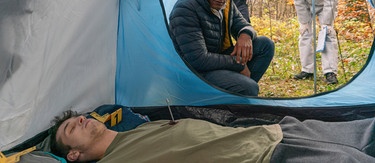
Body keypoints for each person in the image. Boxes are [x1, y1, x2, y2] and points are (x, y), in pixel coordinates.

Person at [49, 110, 375, 162]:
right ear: (73, 155)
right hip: (267, 158)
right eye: (71, 128)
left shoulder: (137, 128)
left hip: (275, 132)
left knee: (369, 130)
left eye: (79, 117)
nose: (81, 119)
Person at [169, 0, 274, 96]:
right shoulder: (186, 8)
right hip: (193, 73)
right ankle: (237, 93)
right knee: (249, 87)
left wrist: (245, 34)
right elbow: (198, 60)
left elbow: (243, 24)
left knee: (265, 45)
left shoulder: (226, 4)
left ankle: (235, 96)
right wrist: (239, 64)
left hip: (216, 62)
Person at [291, 0, 339, 84]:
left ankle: (330, 72)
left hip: (325, 4)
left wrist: (327, 22)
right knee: (305, 33)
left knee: (327, 34)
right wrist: (305, 21)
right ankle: (307, 70)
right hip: (307, 6)